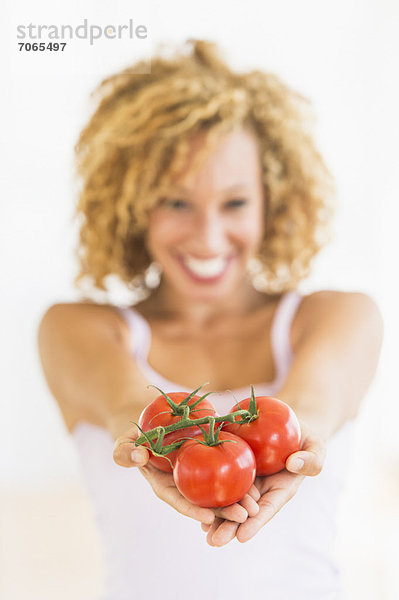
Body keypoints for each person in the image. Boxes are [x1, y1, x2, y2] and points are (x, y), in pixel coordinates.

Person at [38, 39, 383, 600]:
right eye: (176, 202)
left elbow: (309, 408)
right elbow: (128, 405)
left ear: (274, 200)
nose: (207, 236)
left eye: (235, 203)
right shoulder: (76, 328)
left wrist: (298, 445)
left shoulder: (336, 316)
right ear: (129, 204)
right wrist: (156, 440)